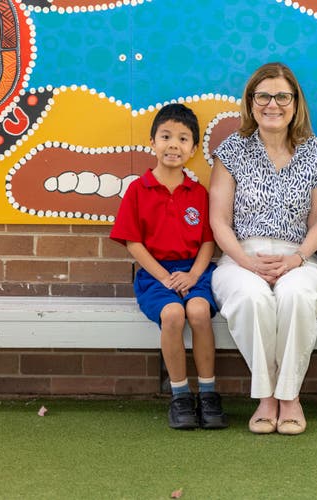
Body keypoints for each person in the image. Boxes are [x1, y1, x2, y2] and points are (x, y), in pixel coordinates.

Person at [209, 62, 317, 435]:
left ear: (295, 103)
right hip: (240, 255)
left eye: (282, 96)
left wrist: (297, 259)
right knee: (252, 299)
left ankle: (290, 397)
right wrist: (246, 262)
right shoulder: (232, 150)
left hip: (299, 255)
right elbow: (219, 220)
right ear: (250, 102)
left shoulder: (315, 153)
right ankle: (266, 397)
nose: (272, 104)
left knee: (296, 298)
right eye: (262, 96)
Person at [110, 103, 227, 430]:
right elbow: (134, 243)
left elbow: (207, 241)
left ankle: (207, 393)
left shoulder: (198, 193)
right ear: (152, 143)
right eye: (166, 136)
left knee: (200, 312)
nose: (173, 144)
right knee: (174, 314)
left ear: (192, 149)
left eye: (182, 138)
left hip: (195, 271)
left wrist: (192, 275)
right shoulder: (138, 190)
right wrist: (165, 277)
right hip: (156, 275)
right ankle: (180, 396)